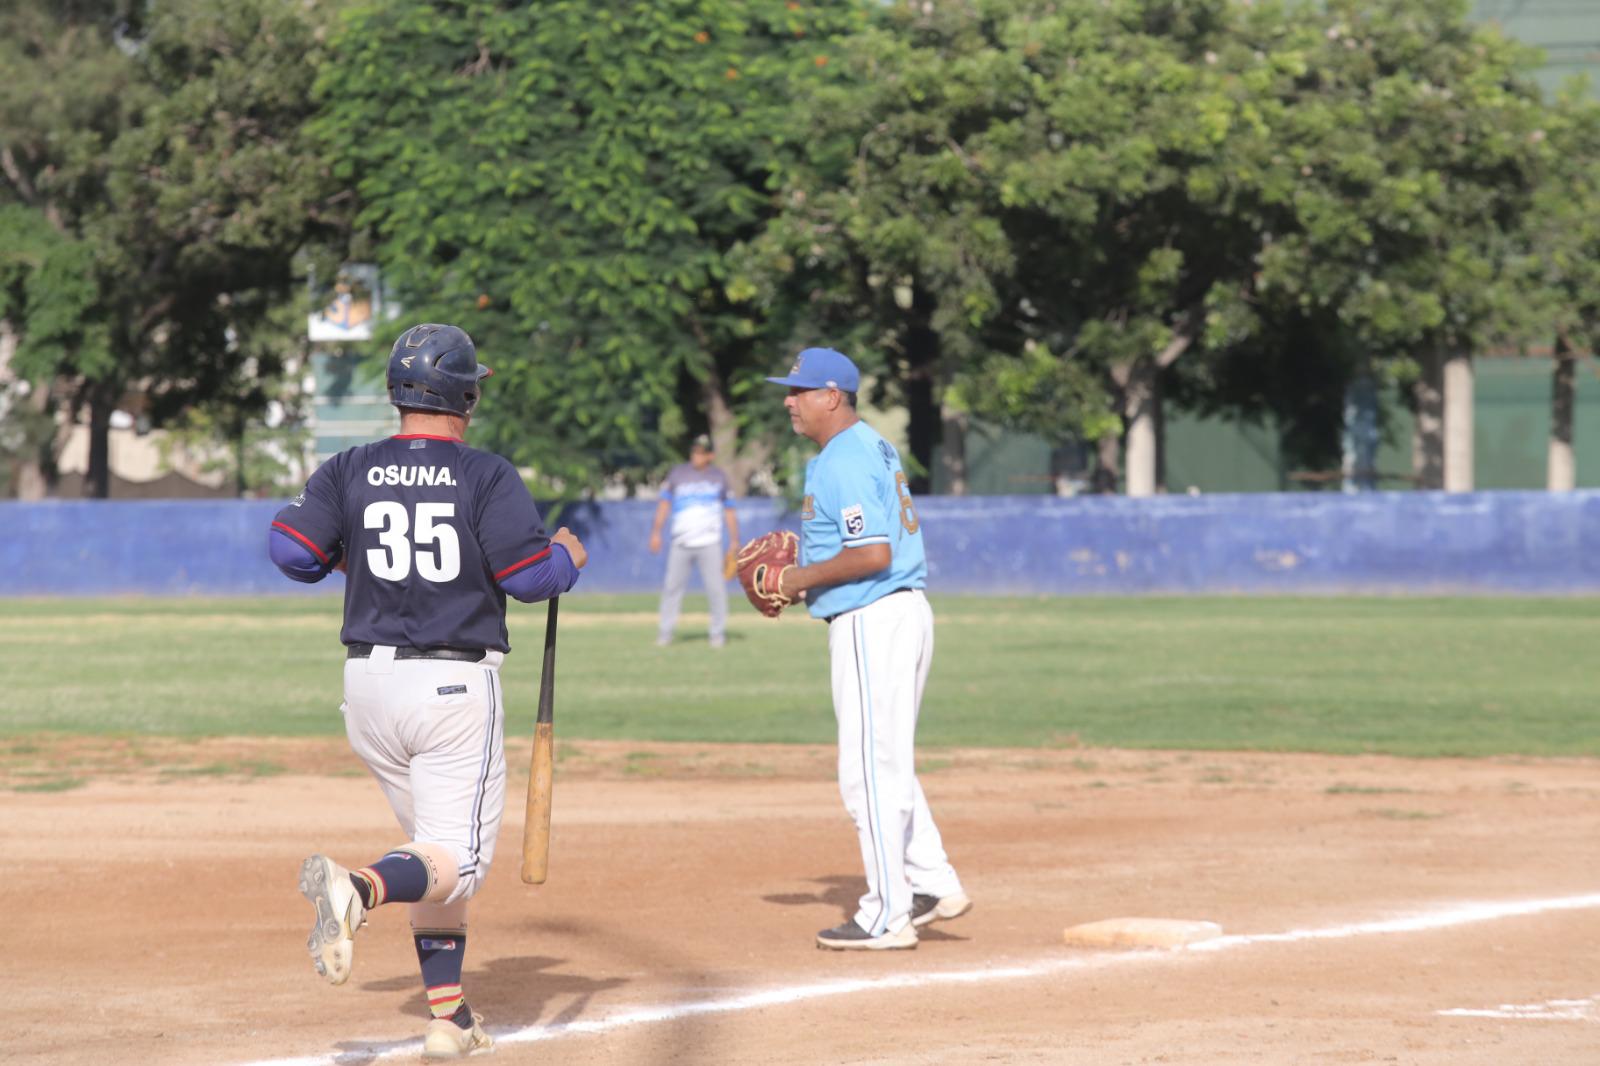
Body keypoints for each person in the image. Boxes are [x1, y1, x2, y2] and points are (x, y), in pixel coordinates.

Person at [267, 323, 586, 1058]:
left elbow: (291, 549)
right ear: (466, 397)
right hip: (449, 690)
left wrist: (352, 556)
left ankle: (452, 1019)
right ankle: (359, 888)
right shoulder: (485, 475)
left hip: (368, 690)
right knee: (457, 860)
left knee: (434, 860)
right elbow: (532, 580)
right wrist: (567, 559)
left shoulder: (349, 466)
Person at [763, 347, 970, 950]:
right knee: (888, 759)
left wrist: (795, 579)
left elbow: (872, 554)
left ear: (831, 396)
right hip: (898, 611)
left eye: (799, 391)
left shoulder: (842, 458)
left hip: (871, 617)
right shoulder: (872, 443)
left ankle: (887, 915)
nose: (789, 401)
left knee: (868, 773)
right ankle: (931, 882)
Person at [648, 433, 739, 647]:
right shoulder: (678, 474)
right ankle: (665, 632)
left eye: (701, 452)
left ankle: (717, 633)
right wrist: (656, 532)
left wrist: (735, 539)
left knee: (716, 588)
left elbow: (729, 511)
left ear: (710, 455)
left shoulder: (719, 477)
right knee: (672, 587)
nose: (696, 455)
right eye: (695, 451)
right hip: (681, 541)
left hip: (710, 542)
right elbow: (664, 504)